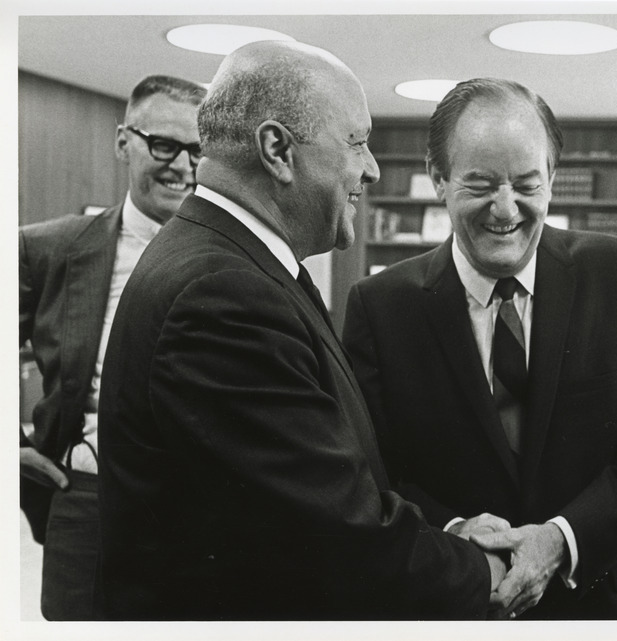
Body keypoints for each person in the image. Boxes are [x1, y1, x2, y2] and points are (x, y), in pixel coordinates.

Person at [94, 42, 508, 621]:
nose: (372, 168)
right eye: (356, 142)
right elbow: (335, 535)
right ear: (276, 149)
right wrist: (483, 570)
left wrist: (447, 530)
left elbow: (321, 472)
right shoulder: (224, 296)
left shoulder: (231, 260)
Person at [343, 78, 617, 620]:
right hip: (453, 594)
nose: (505, 209)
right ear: (439, 178)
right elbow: (372, 467)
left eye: (527, 184)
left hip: (602, 594)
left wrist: (561, 538)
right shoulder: (380, 304)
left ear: (552, 179)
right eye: (481, 184)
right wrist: (453, 531)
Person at [18, 74, 206, 620]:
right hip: (86, 498)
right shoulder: (47, 248)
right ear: (124, 139)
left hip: (204, 505)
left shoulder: (238, 258)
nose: (183, 167)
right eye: (165, 145)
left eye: (198, 150)